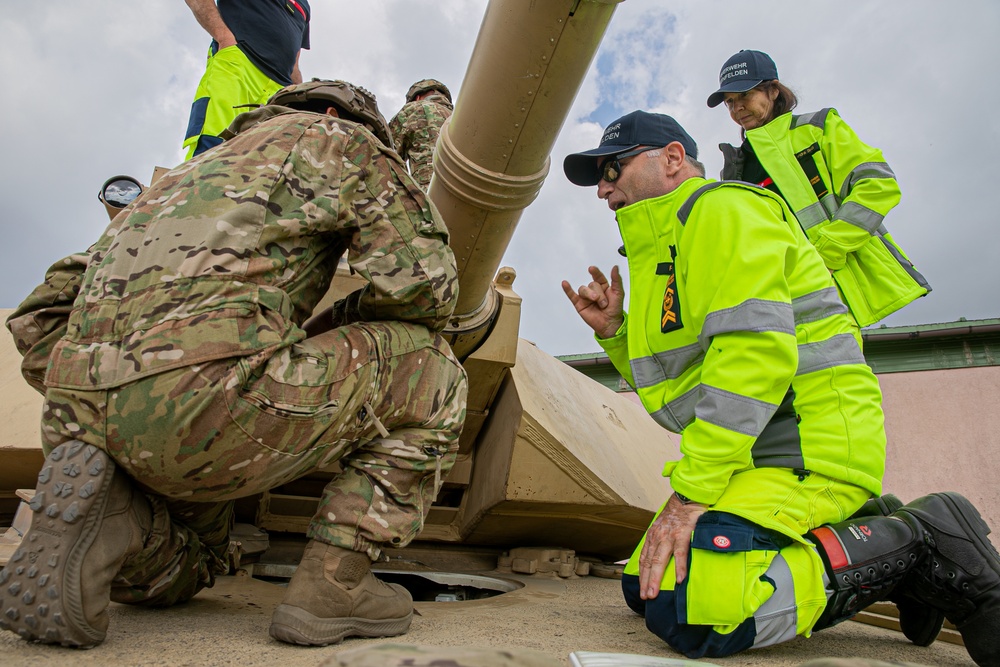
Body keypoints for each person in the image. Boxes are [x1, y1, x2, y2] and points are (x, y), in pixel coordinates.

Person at [0, 79, 468, 649]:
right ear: (334, 114)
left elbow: (40, 315)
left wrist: (108, 396)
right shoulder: (343, 140)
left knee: (199, 561)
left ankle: (123, 520)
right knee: (435, 371)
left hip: (78, 417)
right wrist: (333, 325)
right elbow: (428, 291)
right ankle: (334, 585)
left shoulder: (171, 183)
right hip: (212, 404)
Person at [560, 110, 1000, 665]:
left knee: (694, 613)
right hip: (758, 455)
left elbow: (755, 355)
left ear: (672, 159)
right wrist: (617, 333)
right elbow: (682, 385)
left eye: (613, 169)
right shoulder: (661, 250)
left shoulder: (719, 210)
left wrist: (690, 495)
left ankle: (920, 538)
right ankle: (867, 528)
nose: (602, 188)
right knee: (642, 588)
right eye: (599, 177)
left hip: (809, 442)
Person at [707, 49, 930, 332]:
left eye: (744, 96)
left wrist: (826, 254)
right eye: (729, 102)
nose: (736, 109)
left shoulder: (818, 128)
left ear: (773, 91)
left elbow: (877, 184)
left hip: (833, 288)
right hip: (777, 306)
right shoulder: (732, 174)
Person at [182, 0, 311, 159]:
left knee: (263, 162)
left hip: (279, 91)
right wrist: (223, 36)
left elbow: (295, 62)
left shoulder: (304, 5)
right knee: (213, 143)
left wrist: (299, 96)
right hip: (239, 64)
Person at [388, 79, 454, 189]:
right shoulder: (460, 119)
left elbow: (388, 150)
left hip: (431, 190)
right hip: (471, 193)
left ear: (417, 97)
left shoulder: (414, 108)